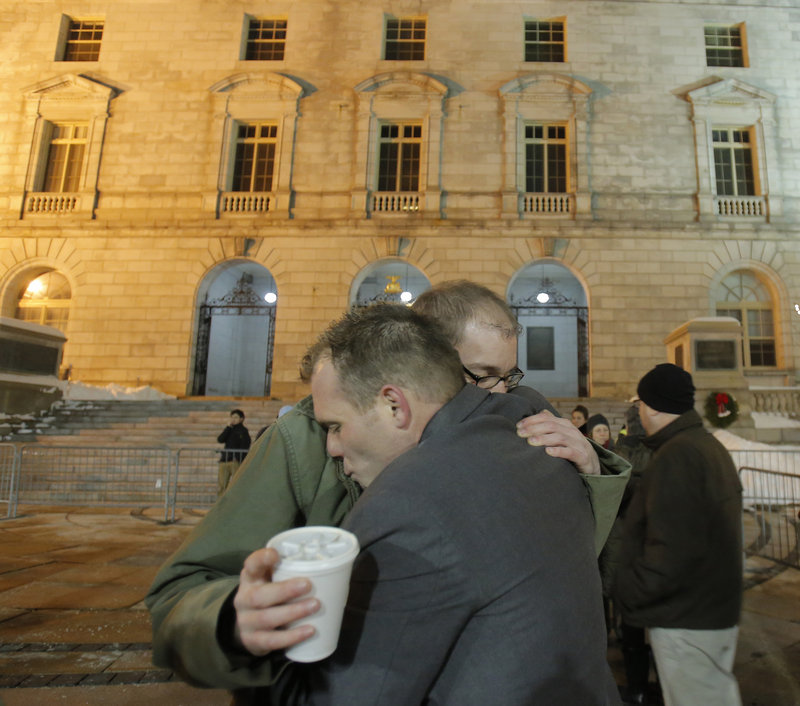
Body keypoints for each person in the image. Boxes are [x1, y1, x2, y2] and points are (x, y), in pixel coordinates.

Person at [146, 281, 629, 700]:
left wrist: (591, 472)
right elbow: (180, 595)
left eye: (508, 377)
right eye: (480, 377)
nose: (495, 396)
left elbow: (550, 575)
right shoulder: (310, 442)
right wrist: (233, 619)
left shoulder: (517, 426)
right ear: (419, 361)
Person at [262, 304, 621, 704]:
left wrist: (257, 641)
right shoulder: (534, 430)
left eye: (335, 426)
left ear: (394, 405)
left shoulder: (406, 505)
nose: (330, 446)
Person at [614, 363, 743, 706]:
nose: (638, 410)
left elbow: (672, 549)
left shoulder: (679, 455)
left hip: (687, 619)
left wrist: (631, 593)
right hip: (707, 611)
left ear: (654, 406)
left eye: (640, 402)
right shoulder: (701, 446)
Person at [216, 409, 251, 495]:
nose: (233, 419)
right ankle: (221, 506)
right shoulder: (229, 429)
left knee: (236, 485)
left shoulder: (243, 431)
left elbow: (245, 446)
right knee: (222, 485)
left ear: (241, 419)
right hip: (225, 460)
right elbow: (220, 439)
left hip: (235, 461)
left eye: (236, 417)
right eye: (232, 417)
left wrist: (239, 458)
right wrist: (228, 428)